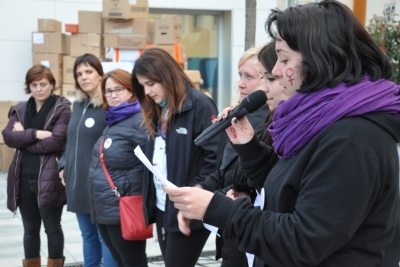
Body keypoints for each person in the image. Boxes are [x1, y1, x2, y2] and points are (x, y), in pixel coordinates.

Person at [164, 1, 400, 266]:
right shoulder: (319, 121)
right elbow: (292, 190)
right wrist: (249, 147)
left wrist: (218, 210)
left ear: (321, 59)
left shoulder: (351, 138)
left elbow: (303, 241)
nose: (275, 71)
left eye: (284, 59)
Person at [131, 47, 220, 267]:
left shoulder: (200, 103)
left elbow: (216, 158)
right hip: (164, 207)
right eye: (143, 86)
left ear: (166, 75)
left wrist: (194, 194)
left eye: (150, 83)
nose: (147, 91)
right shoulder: (158, 109)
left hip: (189, 207)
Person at [196, 45, 269, 267]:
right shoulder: (239, 114)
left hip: (251, 226)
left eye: (249, 76)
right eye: (240, 75)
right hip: (231, 225)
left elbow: (249, 178)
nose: (241, 83)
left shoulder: (271, 123)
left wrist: (210, 201)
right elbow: (224, 168)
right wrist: (200, 191)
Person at [2, 64, 71, 267]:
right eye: (34, 84)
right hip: (23, 177)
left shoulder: (62, 108)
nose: (38, 89)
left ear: (51, 85)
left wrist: (24, 139)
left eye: (43, 84)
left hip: (49, 178)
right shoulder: (21, 108)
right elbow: (8, 136)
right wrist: (35, 134)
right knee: (30, 228)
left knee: (52, 227)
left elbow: (57, 141)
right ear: (28, 86)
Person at [57, 54, 117, 267]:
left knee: (105, 238)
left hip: (100, 186)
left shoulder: (109, 106)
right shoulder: (78, 105)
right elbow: (71, 141)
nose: (84, 77)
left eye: (89, 71)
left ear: (100, 74)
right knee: (88, 236)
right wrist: (63, 165)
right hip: (78, 184)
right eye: (79, 74)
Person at [87, 69, 149, 267]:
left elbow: (149, 165)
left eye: (118, 90)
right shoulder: (114, 120)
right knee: (120, 260)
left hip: (124, 207)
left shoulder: (139, 121)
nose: (113, 95)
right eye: (108, 91)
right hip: (106, 206)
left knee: (133, 261)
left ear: (132, 91)